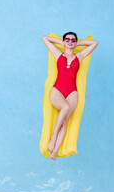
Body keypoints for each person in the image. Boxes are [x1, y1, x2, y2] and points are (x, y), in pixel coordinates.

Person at [42, 32, 98, 160]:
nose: (70, 41)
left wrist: (78, 44)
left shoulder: (79, 56)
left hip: (72, 92)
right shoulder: (58, 54)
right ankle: (53, 137)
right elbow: (45, 38)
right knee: (65, 108)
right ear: (63, 41)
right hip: (57, 90)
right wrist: (62, 43)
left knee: (65, 121)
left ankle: (54, 152)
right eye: (67, 39)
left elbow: (95, 43)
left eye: (73, 40)